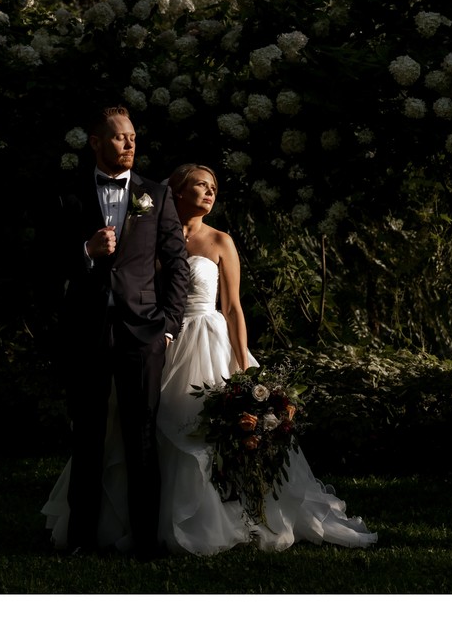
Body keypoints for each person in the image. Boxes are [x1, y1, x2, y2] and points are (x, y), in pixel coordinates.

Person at [155, 163, 377, 553]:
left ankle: (223, 518)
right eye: (200, 186)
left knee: (209, 431)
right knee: (162, 422)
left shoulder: (221, 241)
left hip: (208, 340)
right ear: (176, 191)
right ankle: (158, 517)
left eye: (213, 187)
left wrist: (241, 365)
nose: (210, 193)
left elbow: (233, 308)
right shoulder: (156, 237)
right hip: (164, 340)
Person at [43, 105, 190, 560]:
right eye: (119, 137)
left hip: (142, 332)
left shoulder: (156, 195)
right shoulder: (67, 195)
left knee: (141, 435)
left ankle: (145, 541)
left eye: (132, 137)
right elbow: (42, 261)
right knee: (87, 435)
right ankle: (82, 540)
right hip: (85, 331)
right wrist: (85, 251)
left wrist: (166, 326)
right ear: (95, 143)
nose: (130, 143)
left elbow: (177, 265)